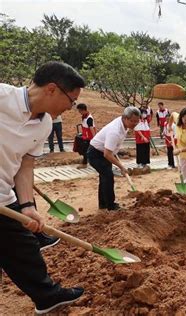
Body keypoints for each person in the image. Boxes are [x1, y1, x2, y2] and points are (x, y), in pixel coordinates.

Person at [0, 61, 85, 314]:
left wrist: (26, 205)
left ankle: (47, 296)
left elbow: (25, 166)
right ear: (51, 89)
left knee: (24, 248)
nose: (71, 108)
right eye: (71, 101)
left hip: (4, 196)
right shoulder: (2, 97)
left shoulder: (45, 123)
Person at [88, 106, 140, 211]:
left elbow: (110, 150)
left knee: (104, 177)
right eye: (132, 121)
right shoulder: (115, 131)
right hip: (96, 154)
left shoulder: (123, 125)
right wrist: (121, 167)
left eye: (137, 121)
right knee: (108, 177)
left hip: (103, 151)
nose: (135, 123)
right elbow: (107, 154)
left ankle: (103, 204)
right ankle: (110, 206)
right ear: (125, 118)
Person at [76, 103, 96, 169]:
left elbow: (91, 128)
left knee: (86, 151)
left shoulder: (89, 118)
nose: (79, 112)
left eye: (79, 111)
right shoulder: (84, 116)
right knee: (85, 150)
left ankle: (85, 163)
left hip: (89, 138)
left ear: (83, 110)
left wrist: (95, 138)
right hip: (85, 136)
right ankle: (86, 162)